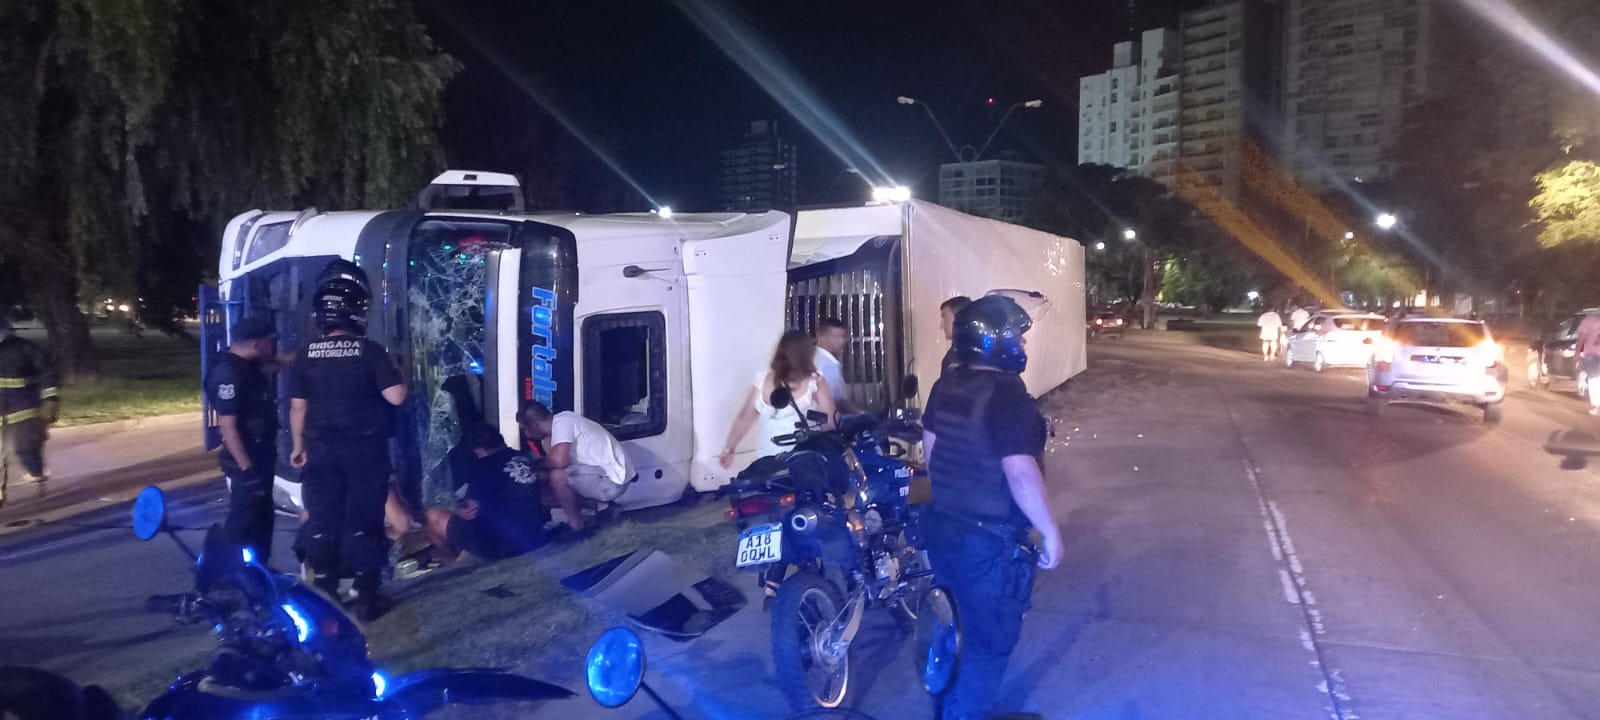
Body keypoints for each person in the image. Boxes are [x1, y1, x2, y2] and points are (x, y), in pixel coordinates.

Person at [920, 294, 1062, 720]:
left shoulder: (946, 385)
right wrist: (1050, 531)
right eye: (1017, 335)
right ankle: (966, 713)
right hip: (989, 543)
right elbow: (1020, 473)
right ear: (994, 341)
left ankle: (951, 706)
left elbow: (931, 450)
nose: (1023, 343)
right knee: (988, 641)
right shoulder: (1008, 396)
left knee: (955, 624)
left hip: (943, 527)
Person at [288, 271, 407, 620]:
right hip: (364, 450)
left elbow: (298, 407)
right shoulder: (369, 351)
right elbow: (396, 397)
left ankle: (325, 587)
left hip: (320, 450)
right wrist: (401, 373)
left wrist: (297, 445)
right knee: (364, 518)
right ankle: (364, 592)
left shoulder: (305, 354)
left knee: (323, 517)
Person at [204, 317, 279, 563]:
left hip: (260, 454)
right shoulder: (229, 373)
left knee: (262, 517)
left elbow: (276, 364)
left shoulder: (247, 364)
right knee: (244, 518)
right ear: (257, 344)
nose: (272, 346)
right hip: (245, 460)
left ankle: (258, 570)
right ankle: (227, 571)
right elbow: (229, 427)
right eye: (269, 342)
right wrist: (247, 471)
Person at [424, 423, 547, 560]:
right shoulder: (524, 456)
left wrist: (456, 509)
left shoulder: (482, 466)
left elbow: (471, 510)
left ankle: (450, 561)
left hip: (502, 545)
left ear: (478, 450)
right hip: (533, 536)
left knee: (431, 515)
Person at [719, 330, 839, 469]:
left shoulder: (763, 380)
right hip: (804, 462)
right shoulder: (816, 382)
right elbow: (831, 422)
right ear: (808, 353)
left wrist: (729, 449)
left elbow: (744, 418)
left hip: (768, 461)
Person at [517, 400, 635, 533]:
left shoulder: (562, 423)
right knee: (545, 491)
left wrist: (534, 464)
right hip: (599, 475)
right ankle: (602, 507)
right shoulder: (555, 431)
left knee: (557, 477)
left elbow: (559, 462)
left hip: (612, 479)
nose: (526, 434)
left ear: (534, 424)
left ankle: (576, 527)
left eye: (526, 429)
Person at [0, 315, 59, 509]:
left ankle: (36, 470)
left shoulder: (27, 349)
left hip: (23, 406)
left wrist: (50, 399)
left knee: (24, 448)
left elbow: (47, 374)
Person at [813, 317, 861, 414]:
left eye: (843, 336)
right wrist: (862, 415)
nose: (841, 341)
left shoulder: (809, 356)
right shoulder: (829, 365)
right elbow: (838, 401)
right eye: (835, 337)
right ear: (820, 337)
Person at [939, 296, 974, 374]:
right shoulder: (954, 352)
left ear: (959, 317)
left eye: (945, 318)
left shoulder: (970, 355)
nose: (941, 326)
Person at [1577, 309, 1600, 416]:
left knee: (1593, 379)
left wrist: (1577, 352)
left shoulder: (1587, 321)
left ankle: (1595, 405)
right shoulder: (1588, 321)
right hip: (1592, 354)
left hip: (1592, 354)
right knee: (1595, 379)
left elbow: (1581, 339)